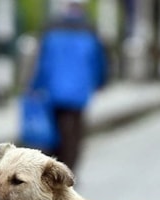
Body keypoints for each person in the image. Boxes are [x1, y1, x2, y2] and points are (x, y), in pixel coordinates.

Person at [29, 0, 107, 172]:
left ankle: (53, 166)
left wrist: (35, 85)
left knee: (55, 131)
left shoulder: (51, 28)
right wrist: (100, 82)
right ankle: (69, 169)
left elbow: (43, 63)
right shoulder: (90, 30)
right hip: (80, 90)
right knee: (75, 132)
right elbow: (98, 62)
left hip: (54, 89)